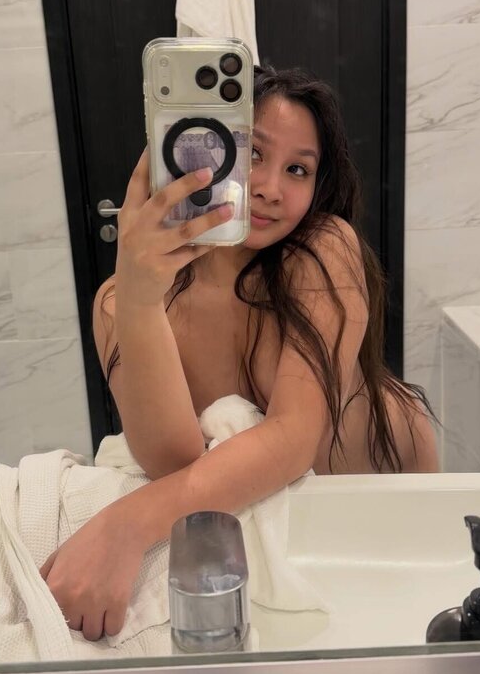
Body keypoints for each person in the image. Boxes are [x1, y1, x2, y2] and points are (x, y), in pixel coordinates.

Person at [41, 65, 438, 640]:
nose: (271, 187)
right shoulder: (116, 303)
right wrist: (140, 296)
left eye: (298, 169)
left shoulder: (324, 251)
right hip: (286, 540)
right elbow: (173, 465)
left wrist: (124, 525)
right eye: (252, 154)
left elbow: (293, 438)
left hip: (386, 479)